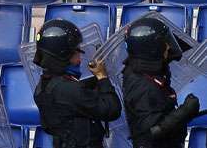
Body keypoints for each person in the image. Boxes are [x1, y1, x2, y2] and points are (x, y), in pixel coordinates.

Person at [33, 19, 122, 148]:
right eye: (76, 53)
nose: (80, 60)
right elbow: (111, 109)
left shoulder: (44, 84)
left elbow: (74, 96)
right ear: (64, 54)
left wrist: (93, 80)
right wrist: (102, 77)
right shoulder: (70, 89)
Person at [122, 17, 200, 148]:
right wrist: (185, 112)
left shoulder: (143, 68)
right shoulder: (143, 86)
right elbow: (152, 131)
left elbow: (173, 55)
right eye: (165, 43)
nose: (169, 46)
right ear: (153, 48)